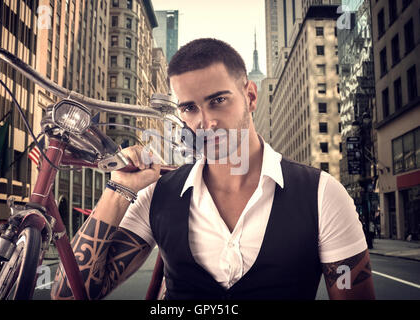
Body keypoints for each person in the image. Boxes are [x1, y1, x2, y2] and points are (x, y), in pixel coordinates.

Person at [51, 38, 375, 300]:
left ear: (250, 96)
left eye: (218, 100)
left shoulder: (322, 195)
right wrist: (119, 188)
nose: (206, 122)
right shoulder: (158, 196)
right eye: (190, 108)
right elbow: (69, 294)